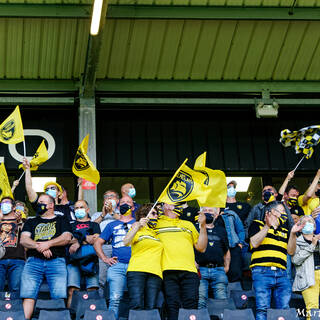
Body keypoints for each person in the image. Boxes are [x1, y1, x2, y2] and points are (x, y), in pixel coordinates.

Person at [19, 194, 72, 320]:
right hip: (33, 262)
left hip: (57, 261)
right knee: (28, 295)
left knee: (58, 297)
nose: (39, 204)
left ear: (51, 205)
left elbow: (67, 237)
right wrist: (40, 247)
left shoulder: (61, 219)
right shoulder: (31, 221)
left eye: (42, 202)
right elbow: (24, 240)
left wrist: (48, 244)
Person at [249, 201, 304, 320]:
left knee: (284, 309)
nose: (285, 214)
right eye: (282, 211)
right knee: (262, 308)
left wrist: (293, 234)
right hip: (262, 271)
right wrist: (267, 226)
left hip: (282, 273)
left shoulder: (285, 230)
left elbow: (290, 251)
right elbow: (254, 242)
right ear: (272, 212)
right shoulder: (257, 224)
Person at [155, 203, 207, 320]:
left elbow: (201, 248)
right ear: (165, 206)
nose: (177, 205)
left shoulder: (188, 224)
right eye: (174, 203)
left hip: (189, 271)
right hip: (167, 271)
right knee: (172, 306)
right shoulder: (156, 223)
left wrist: (203, 226)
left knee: (191, 306)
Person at [94, 195, 135, 319]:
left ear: (133, 207)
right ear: (118, 206)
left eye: (128, 202)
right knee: (115, 300)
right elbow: (97, 243)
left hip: (136, 265)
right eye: (122, 202)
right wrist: (105, 258)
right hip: (117, 266)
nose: (125, 204)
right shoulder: (112, 225)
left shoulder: (138, 223)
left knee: (136, 300)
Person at [123, 203, 163, 310]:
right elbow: (126, 242)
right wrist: (137, 227)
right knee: (136, 305)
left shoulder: (157, 232)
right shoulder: (137, 229)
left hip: (155, 273)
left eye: (157, 214)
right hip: (137, 271)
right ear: (144, 215)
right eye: (153, 213)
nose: (156, 216)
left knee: (151, 307)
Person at [67, 200, 101, 308]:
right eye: (76, 208)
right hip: (73, 262)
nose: (78, 210)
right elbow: (68, 239)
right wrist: (85, 239)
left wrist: (78, 240)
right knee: (72, 291)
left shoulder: (94, 224)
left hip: (91, 261)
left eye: (81, 207)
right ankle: (71, 315)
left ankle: (91, 315)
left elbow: (95, 239)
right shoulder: (69, 224)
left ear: (87, 210)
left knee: (93, 291)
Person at [196, 207, 230, 308]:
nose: (207, 212)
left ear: (216, 215)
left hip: (218, 269)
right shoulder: (195, 229)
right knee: (200, 300)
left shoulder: (222, 230)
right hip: (200, 269)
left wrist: (226, 266)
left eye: (210, 211)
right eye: (205, 211)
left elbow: (226, 250)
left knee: (222, 301)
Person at [292, 215, 320, 320]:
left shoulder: (318, 239)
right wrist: (312, 245)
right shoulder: (296, 241)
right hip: (309, 277)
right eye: (305, 221)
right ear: (300, 226)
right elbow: (296, 260)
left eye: (311, 221)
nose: (308, 223)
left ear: (314, 227)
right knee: (313, 309)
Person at [91, 190, 120, 288]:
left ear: (117, 200)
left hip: (119, 247)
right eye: (106, 197)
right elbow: (91, 227)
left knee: (118, 276)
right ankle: (101, 302)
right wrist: (103, 215)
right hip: (103, 247)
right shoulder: (97, 214)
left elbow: (124, 222)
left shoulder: (121, 213)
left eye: (112, 196)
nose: (108, 198)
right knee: (102, 278)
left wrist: (112, 213)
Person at [0, 197, 25, 292]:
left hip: (17, 260)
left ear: (14, 207)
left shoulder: (21, 220)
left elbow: (26, 236)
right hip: (0, 259)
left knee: (16, 289)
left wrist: (19, 221)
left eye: (6, 202)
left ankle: (15, 307)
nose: (4, 205)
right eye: (2, 203)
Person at [217, 206, 245, 283]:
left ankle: (234, 294)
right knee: (218, 277)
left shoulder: (231, 213)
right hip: (217, 250)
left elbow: (240, 230)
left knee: (235, 274)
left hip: (233, 247)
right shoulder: (208, 214)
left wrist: (240, 243)